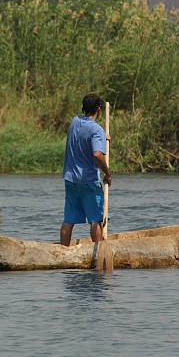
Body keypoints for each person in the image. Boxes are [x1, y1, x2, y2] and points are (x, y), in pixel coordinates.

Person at [60, 93, 112, 246]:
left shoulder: (74, 122)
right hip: (88, 181)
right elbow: (97, 154)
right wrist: (107, 174)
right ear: (98, 109)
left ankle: (63, 252)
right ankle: (98, 249)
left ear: (83, 108)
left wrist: (103, 137)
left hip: (70, 179)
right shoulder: (96, 130)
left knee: (68, 220)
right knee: (95, 219)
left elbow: (84, 137)